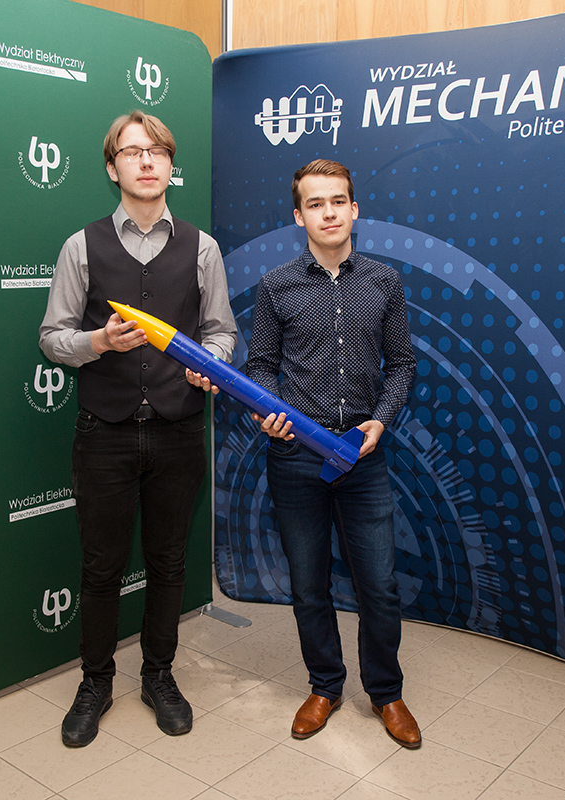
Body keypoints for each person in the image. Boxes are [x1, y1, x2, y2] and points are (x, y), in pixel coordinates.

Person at [39, 110, 236, 747]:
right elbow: (52, 337)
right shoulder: (81, 246)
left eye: (157, 150)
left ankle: (158, 676)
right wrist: (97, 341)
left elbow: (221, 332)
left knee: (169, 563)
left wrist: (213, 366)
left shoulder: (202, 248)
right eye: (132, 151)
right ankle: (95, 682)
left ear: (171, 165)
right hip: (105, 433)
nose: (146, 160)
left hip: (179, 432)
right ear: (112, 167)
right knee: (101, 568)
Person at [244, 159, 420, 748]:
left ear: (354, 209)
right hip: (296, 456)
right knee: (308, 584)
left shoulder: (384, 282)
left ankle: (386, 693)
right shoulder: (276, 286)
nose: (328, 213)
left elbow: (402, 364)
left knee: (380, 587)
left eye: (338, 201)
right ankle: (325, 686)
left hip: (361, 456)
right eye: (315, 204)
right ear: (299, 216)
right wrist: (267, 411)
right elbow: (260, 366)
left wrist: (381, 419)